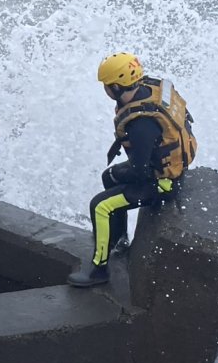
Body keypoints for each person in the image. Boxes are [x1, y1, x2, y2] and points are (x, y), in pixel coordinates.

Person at [68, 53, 197, 287]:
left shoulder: (141, 124)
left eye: (107, 86)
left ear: (116, 87)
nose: (105, 90)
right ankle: (119, 239)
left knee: (100, 205)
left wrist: (123, 174)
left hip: (164, 182)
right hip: (160, 166)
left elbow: (139, 172)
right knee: (108, 176)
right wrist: (116, 174)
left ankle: (98, 269)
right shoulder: (147, 91)